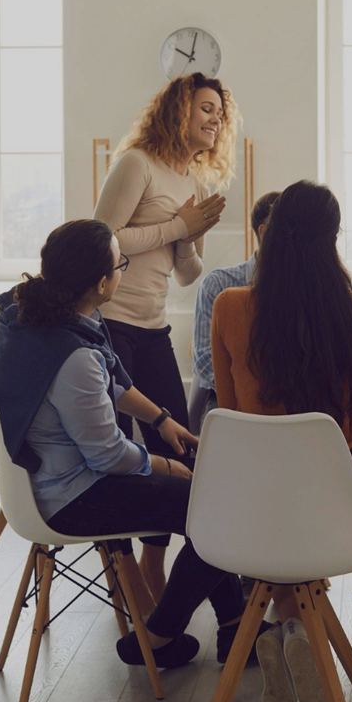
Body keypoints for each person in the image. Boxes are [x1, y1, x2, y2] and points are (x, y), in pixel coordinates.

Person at [0, 219, 268, 670]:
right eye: (121, 264)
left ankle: (234, 630)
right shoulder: (73, 355)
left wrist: (162, 419)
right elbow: (108, 454)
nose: (123, 270)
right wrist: (163, 464)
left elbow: (110, 382)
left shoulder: (26, 317)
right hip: (72, 497)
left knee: (211, 503)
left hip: (45, 480)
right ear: (102, 283)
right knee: (221, 511)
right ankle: (160, 636)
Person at [211, 180, 352, 702]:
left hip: (249, 515)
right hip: (330, 513)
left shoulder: (229, 307)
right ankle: (299, 629)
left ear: (271, 233)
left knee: (274, 507)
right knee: (302, 513)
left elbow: (230, 421)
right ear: (332, 238)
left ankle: (284, 626)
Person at [93, 72, 240, 600]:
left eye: (220, 113)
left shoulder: (191, 183)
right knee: (112, 451)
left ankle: (153, 563)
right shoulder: (137, 164)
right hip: (109, 326)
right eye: (206, 108)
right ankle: (124, 574)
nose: (215, 119)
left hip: (153, 328)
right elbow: (102, 240)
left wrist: (191, 237)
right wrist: (179, 227)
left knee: (177, 450)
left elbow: (186, 273)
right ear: (178, 110)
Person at [192, 191, 280, 426]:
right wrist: (249, 393)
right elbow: (204, 360)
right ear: (264, 232)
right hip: (226, 397)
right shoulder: (218, 284)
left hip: (285, 399)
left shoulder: (303, 286)